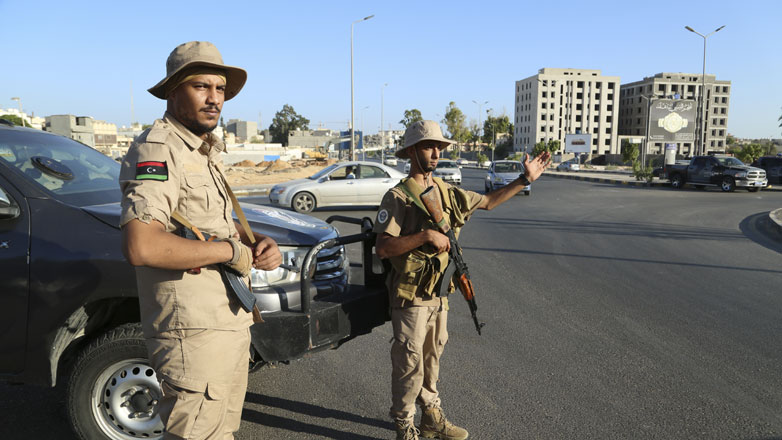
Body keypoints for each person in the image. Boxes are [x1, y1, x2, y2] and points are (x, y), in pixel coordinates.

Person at [119, 41, 282, 439]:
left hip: (226, 321)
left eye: (220, 89)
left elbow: (209, 221)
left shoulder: (203, 151)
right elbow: (142, 246)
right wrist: (230, 251)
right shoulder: (158, 148)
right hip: (192, 333)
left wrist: (256, 240)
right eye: (201, 87)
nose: (215, 99)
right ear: (173, 90)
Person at [374, 120, 550, 440]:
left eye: (439, 147)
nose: (436, 153)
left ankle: (430, 418)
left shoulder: (446, 192)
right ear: (411, 151)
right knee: (409, 364)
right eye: (429, 146)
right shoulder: (397, 197)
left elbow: (489, 202)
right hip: (411, 297)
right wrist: (424, 236)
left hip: (439, 294)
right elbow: (383, 248)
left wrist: (525, 179)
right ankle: (404, 427)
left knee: (432, 360)